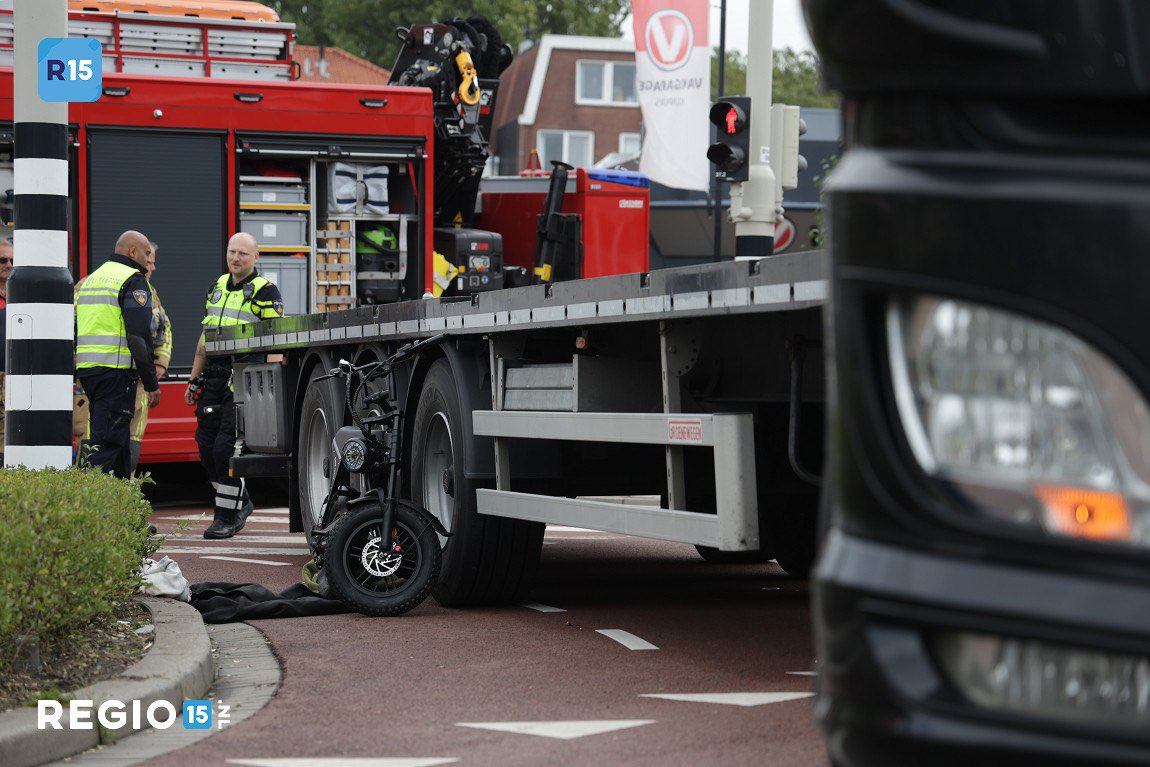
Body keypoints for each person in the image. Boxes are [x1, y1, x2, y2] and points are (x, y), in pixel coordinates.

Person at [186, 232, 284, 539]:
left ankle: (226, 516)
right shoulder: (217, 286)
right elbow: (205, 337)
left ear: (256, 258)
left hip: (242, 380)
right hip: (213, 379)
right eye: (231, 252)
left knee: (225, 451)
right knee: (205, 448)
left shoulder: (265, 291)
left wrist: (271, 387)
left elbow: (277, 340)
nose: (235, 258)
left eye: (242, 253)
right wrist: (193, 378)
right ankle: (239, 502)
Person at [74, 231, 161, 478]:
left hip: (89, 373)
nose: (149, 261)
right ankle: (86, 505)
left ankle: (123, 510)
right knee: (107, 445)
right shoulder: (133, 280)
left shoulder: (92, 279)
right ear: (132, 252)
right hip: (116, 375)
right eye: (147, 254)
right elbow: (139, 337)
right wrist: (151, 382)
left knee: (120, 447)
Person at [128, 241, 172, 475]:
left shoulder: (149, 291)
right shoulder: (126, 286)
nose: (152, 268)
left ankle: (123, 503)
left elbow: (164, 329)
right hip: (107, 379)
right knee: (97, 444)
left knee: (132, 443)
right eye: (149, 262)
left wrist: (159, 364)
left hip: (138, 381)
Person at [0, 237, 12, 464]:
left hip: (15, 381)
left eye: (12, 260)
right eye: (2, 260)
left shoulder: (22, 296)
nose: (9, 265)